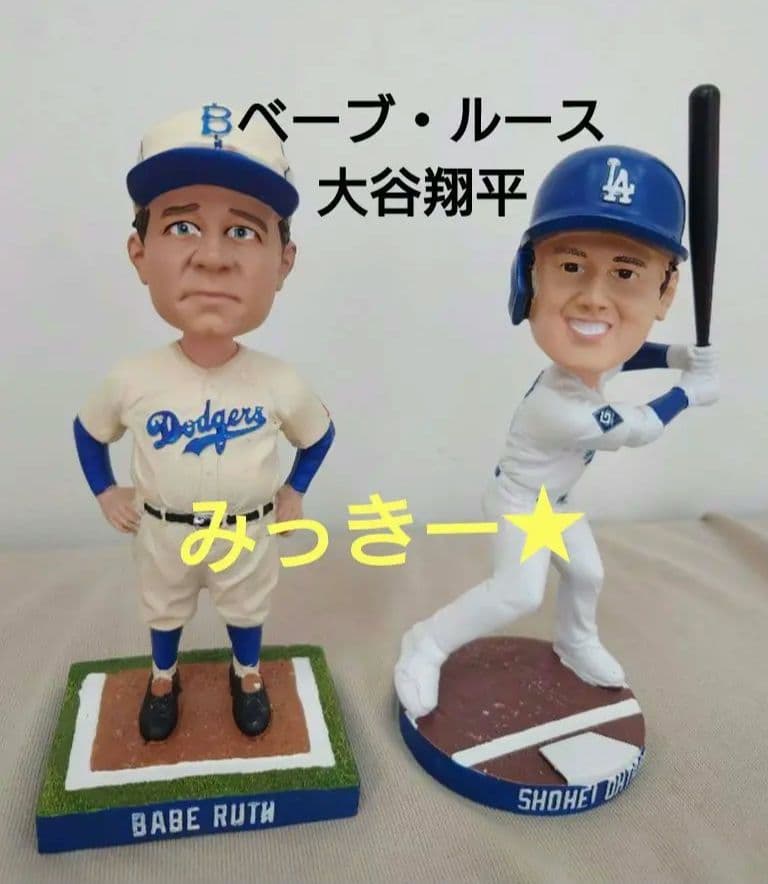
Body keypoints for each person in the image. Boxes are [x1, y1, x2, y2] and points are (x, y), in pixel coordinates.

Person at [395, 145, 719, 719]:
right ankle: (426, 643)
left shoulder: (592, 364)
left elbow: (624, 355)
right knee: (517, 592)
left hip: (555, 503)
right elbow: (640, 427)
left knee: (587, 573)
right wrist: (688, 392)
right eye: (571, 267)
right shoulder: (556, 405)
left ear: (665, 292)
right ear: (530, 279)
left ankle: (575, 642)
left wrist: (676, 355)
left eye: (625, 274)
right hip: (520, 504)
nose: (594, 298)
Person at [74, 102, 334, 740]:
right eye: (183, 227)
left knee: (247, 609)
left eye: (243, 231)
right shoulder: (133, 377)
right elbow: (89, 429)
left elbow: (318, 433)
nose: (213, 258)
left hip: (245, 529)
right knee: (163, 612)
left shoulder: (278, 380)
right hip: (163, 529)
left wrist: (295, 490)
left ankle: (247, 674)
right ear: (140, 252)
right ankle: (164, 678)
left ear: (284, 260)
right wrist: (105, 491)